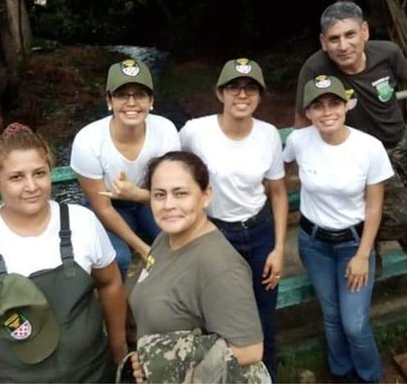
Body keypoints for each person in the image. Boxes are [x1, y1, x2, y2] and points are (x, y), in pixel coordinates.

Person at [0, 123, 127, 383]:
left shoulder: (81, 222)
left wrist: (119, 348)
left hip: (94, 375)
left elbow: (110, 282)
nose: (31, 186)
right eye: (17, 177)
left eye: (39, 173)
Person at [293, 1, 407, 264]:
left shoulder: (386, 53)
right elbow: (301, 118)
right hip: (358, 156)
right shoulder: (315, 69)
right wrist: (310, 159)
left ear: (364, 31)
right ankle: (384, 236)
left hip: (401, 138)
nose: (343, 46)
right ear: (323, 42)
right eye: (334, 39)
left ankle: (391, 230)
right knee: (401, 214)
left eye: (350, 34)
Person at [179, 58, 288, 379]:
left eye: (250, 88)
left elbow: (278, 193)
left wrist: (279, 248)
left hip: (259, 231)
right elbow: (173, 173)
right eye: (234, 88)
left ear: (259, 95)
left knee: (264, 313)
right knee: (217, 316)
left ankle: (269, 376)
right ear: (220, 93)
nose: (242, 95)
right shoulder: (196, 132)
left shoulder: (268, 135)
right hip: (215, 235)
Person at [284, 75, 394, 383]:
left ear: (346, 105)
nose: (327, 111)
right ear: (307, 112)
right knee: (331, 317)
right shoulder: (299, 141)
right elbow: (279, 172)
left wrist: (363, 254)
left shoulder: (368, 147)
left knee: (354, 323)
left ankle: (370, 376)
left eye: (334, 103)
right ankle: (341, 372)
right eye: (317, 106)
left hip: (353, 243)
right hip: (313, 242)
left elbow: (375, 206)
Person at [129, 151, 270, 384]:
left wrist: (158, 361)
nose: (169, 205)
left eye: (181, 193)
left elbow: (250, 350)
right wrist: (146, 359)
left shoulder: (219, 266)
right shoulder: (164, 239)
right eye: (159, 195)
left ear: (206, 196)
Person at [70, 58, 180, 277]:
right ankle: (119, 307)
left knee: (180, 241)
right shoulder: (88, 140)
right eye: (122, 95)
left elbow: (172, 193)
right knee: (118, 257)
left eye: (140, 95)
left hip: (149, 200)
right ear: (109, 100)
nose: (131, 103)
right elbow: (103, 208)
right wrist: (143, 248)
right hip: (110, 205)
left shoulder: (165, 130)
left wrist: (137, 194)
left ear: (151, 100)